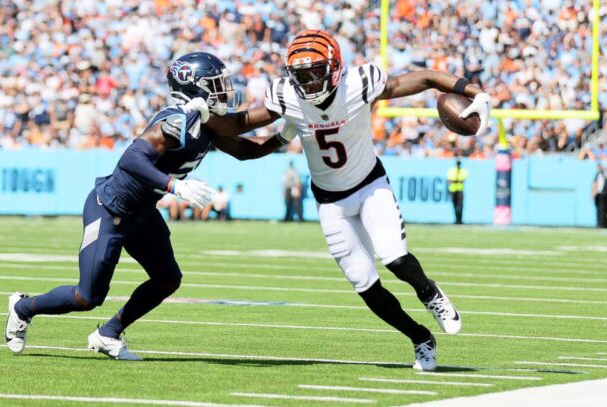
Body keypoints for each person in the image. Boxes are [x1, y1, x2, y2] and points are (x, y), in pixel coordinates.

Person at [206, 30, 491, 371]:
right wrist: (201, 116)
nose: (308, 83)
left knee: (394, 257)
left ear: (335, 67)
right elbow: (238, 126)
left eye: (315, 73)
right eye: (300, 75)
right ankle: (420, 339)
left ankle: (429, 292)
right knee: (364, 284)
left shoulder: (360, 83)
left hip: (370, 185)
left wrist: (473, 90)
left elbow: (426, 78)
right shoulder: (286, 96)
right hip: (330, 202)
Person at [5, 52, 289, 360]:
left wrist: (286, 126)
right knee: (87, 297)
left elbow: (244, 141)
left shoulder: (206, 123)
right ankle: (22, 307)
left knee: (167, 278)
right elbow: (131, 160)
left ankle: (108, 333)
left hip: (142, 214)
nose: (224, 90)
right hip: (111, 208)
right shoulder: (175, 119)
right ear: (196, 88)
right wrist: (175, 185)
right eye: (216, 84)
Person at [447, 159, 468, 224]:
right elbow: (450, 180)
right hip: (453, 190)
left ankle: (460, 219)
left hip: (460, 190)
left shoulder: (462, 170)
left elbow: (462, 180)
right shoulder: (452, 170)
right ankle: (456, 219)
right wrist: (456, 180)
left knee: (460, 205)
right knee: (455, 205)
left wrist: (455, 180)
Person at [591, 162, 607, 228]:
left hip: (604, 193)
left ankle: (603, 224)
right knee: (600, 209)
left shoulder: (604, 174)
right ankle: (600, 224)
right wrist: (593, 192)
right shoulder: (598, 174)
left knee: (603, 210)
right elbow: (595, 184)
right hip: (599, 194)